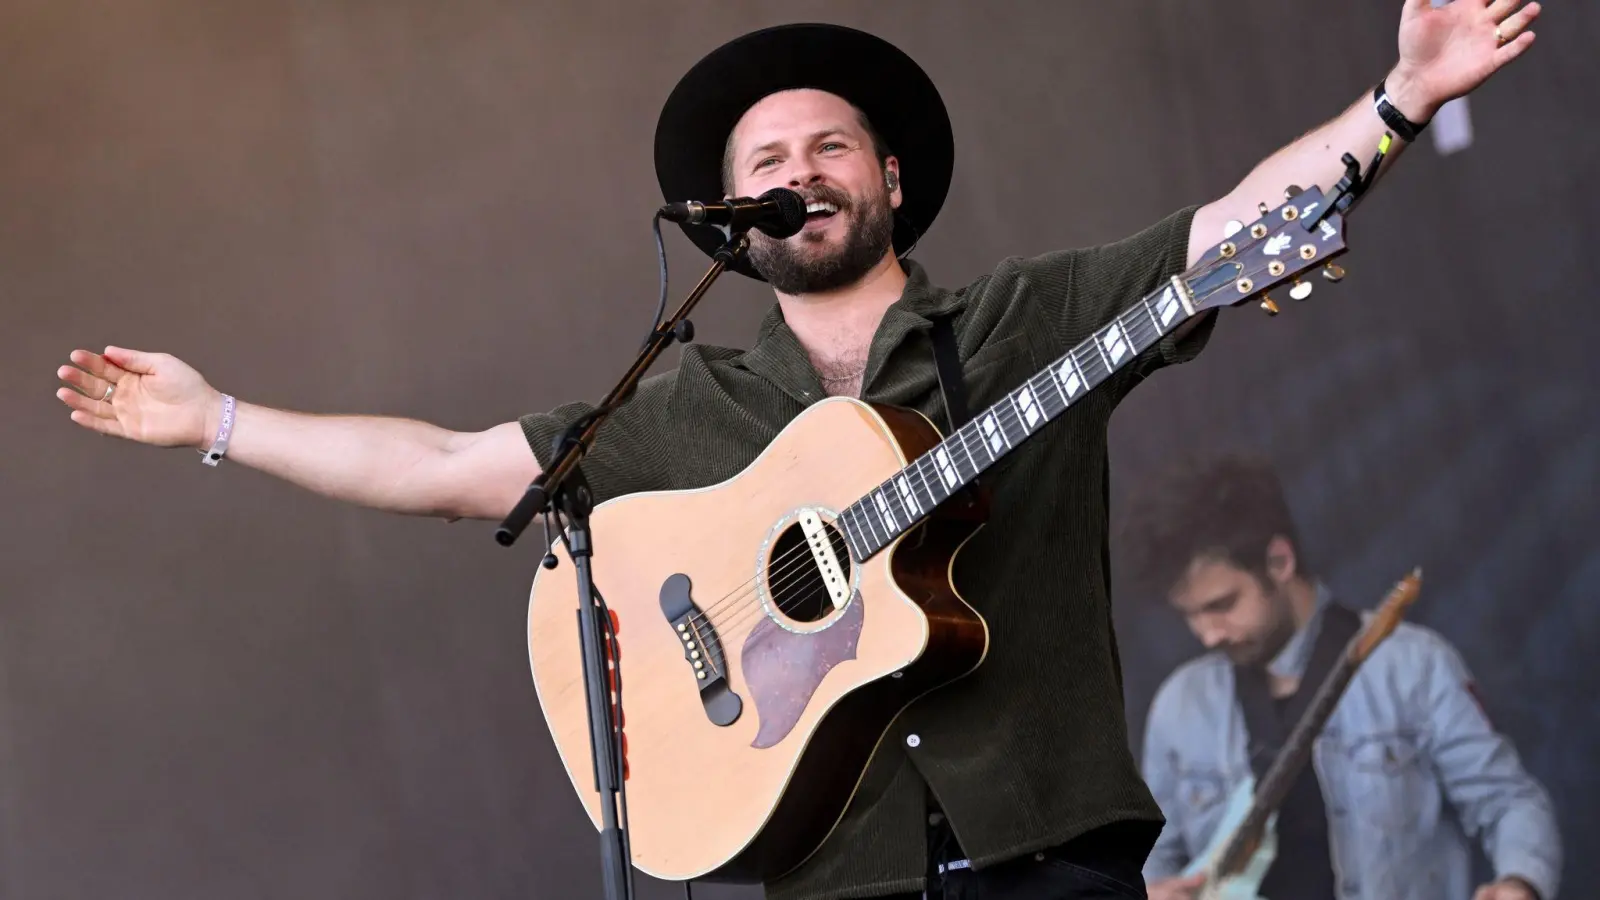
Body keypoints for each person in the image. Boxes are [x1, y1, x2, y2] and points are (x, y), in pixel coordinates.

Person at [53, 5, 1540, 899]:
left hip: (1053, 852)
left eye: (829, 147)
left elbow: (1234, 226)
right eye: (763, 165)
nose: (797, 175)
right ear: (727, 221)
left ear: (891, 177)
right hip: (823, 875)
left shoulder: (1021, 321)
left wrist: (1397, 101)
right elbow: (445, 465)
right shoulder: (679, 410)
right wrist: (220, 421)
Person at [1120, 454, 1562, 900]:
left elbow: (1508, 801)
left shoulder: (1412, 665)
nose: (1207, 634)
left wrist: (1518, 883)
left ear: (1279, 561)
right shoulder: (1179, 706)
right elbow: (1153, 855)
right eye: (1189, 616)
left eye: (1222, 605)